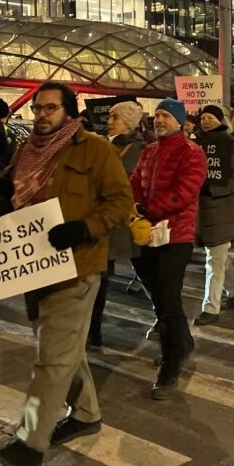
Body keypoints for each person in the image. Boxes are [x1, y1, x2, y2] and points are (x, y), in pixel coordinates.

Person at [0, 82, 132, 466]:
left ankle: (30, 445)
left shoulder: (95, 149)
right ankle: (85, 414)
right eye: (38, 108)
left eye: (50, 108)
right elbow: (4, 188)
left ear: (69, 111)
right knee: (66, 351)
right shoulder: (27, 150)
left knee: (52, 360)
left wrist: (85, 227)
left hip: (77, 267)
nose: (42, 114)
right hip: (35, 269)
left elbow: (121, 201)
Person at [130, 98, 206, 399]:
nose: (158, 120)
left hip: (176, 237)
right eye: (156, 115)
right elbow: (134, 182)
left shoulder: (192, 153)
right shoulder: (148, 151)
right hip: (147, 235)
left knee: (169, 302)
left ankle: (170, 366)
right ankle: (182, 344)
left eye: (165, 116)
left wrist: (147, 208)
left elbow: (184, 193)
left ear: (179, 121)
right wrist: (136, 206)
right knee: (160, 299)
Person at [88, 100, 146, 350]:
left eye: (115, 118)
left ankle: (164, 322)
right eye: (110, 117)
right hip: (100, 219)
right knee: (98, 277)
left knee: (146, 274)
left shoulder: (141, 149)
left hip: (126, 221)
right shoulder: (100, 144)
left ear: (129, 123)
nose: (109, 122)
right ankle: (93, 331)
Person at [193, 104, 234, 325]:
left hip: (223, 208)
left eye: (209, 117)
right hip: (202, 208)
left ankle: (211, 307)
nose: (204, 120)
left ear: (220, 120)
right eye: (202, 117)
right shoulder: (195, 144)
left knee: (214, 260)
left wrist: (213, 189)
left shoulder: (231, 144)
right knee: (218, 256)